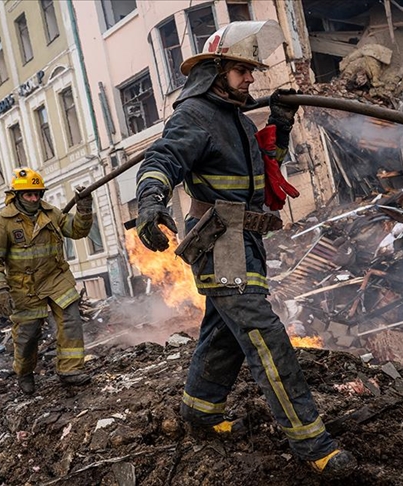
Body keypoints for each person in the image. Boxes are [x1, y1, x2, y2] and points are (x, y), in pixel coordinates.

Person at [134, 20, 355, 477]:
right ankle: (313, 442)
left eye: (250, 72)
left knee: (225, 332)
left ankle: (200, 408)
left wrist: (279, 122)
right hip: (222, 245)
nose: (251, 79)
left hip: (243, 241)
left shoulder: (232, 117)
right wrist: (151, 203)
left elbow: (261, 175)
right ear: (215, 72)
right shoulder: (195, 116)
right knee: (265, 337)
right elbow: (161, 160)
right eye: (241, 71)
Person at [0, 167, 94, 395]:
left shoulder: (51, 213)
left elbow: (77, 230)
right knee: (28, 337)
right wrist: (0, 291)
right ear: (17, 196)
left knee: (70, 320)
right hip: (24, 287)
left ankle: (70, 370)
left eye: (37, 194)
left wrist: (84, 209)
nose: (34, 198)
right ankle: (24, 372)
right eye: (28, 194)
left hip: (55, 279)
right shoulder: (2, 223)